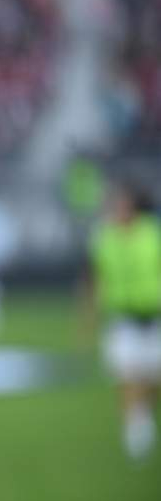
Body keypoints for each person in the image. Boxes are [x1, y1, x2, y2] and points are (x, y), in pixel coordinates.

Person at [85, 183, 161, 460]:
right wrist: (90, 314)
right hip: (122, 318)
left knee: (152, 376)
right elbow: (95, 276)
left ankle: (141, 415)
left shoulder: (152, 233)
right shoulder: (105, 237)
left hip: (152, 315)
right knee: (127, 374)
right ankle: (135, 429)